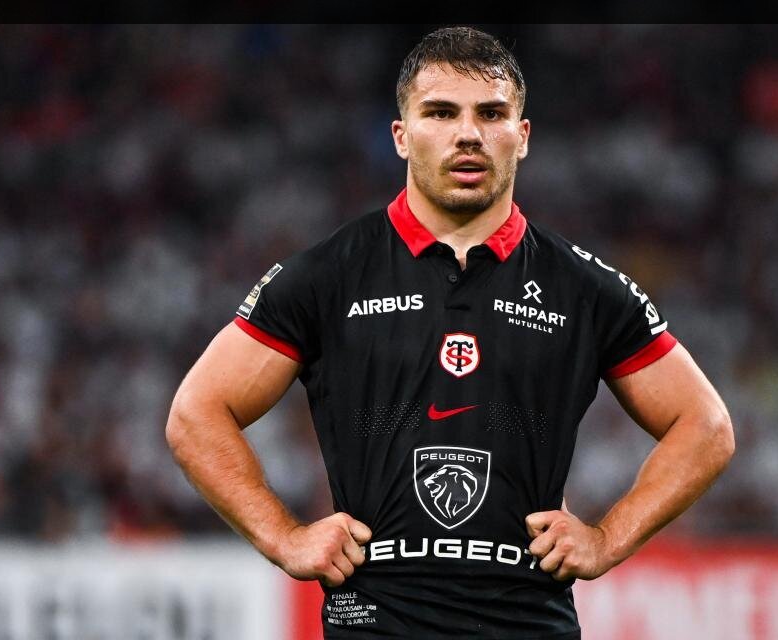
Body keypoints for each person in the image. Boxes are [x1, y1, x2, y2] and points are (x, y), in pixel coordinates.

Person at [166, 26, 734, 639]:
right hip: (376, 623)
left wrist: (606, 539)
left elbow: (706, 427)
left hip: (527, 623)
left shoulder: (584, 288)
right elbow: (196, 414)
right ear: (401, 136)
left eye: (491, 114)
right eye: (441, 113)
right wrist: (284, 537)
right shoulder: (329, 275)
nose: (468, 134)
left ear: (522, 136)